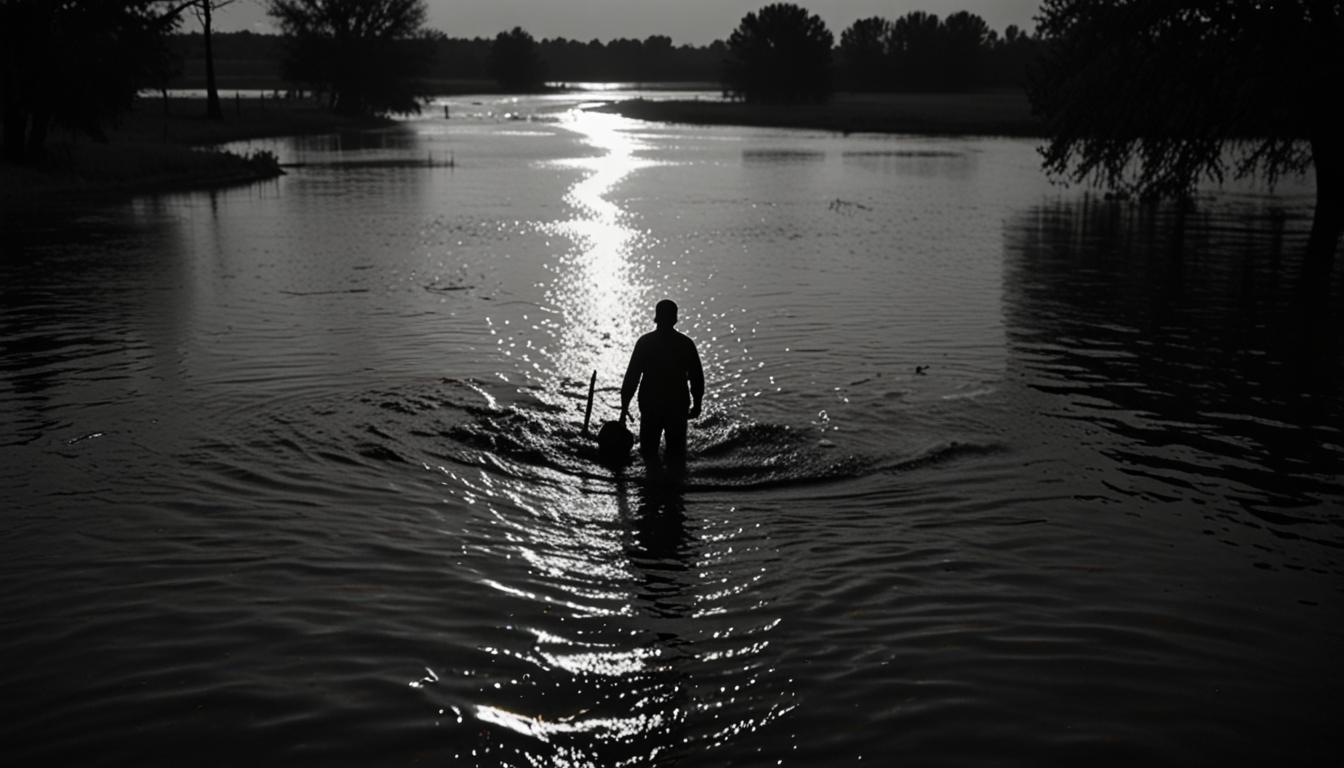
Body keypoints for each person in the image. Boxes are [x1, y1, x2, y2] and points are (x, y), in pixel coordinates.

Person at [620, 299, 704, 464]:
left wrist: (624, 407)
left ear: (656, 318)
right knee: (677, 453)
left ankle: (651, 484)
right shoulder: (686, 344)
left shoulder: (645, 343)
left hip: (651, 404)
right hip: (677, 404)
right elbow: (697, 377)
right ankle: (675, 485)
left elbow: (632, 377)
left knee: (649, 453)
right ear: (675, 319)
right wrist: (697, 403)